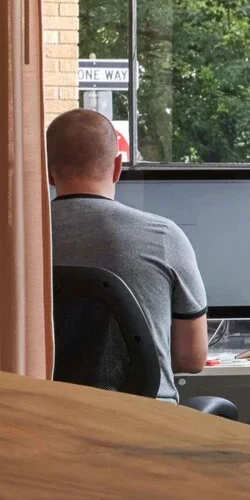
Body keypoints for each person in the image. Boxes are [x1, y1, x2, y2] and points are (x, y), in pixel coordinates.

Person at [45, 107, 208, 400]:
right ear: (118, 167)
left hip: (52, 421)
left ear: (49, 173)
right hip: (143, 425)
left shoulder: (14, 246)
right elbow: (191, 360)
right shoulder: (164, 237)